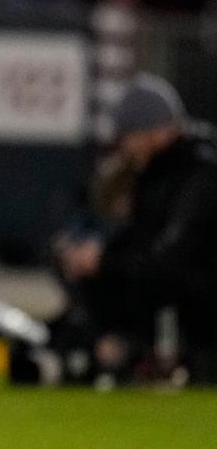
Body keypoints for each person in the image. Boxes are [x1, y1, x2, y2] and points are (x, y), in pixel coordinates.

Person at [53, 74, 217, 387]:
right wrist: (98, 255)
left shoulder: (201, 174)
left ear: (158, 131)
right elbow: (141, 239)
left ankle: (133, 351)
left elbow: (173, 260)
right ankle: (111, 347)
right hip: (176, 294)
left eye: (131, 136)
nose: (125, 146)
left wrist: (105, 261)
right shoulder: (156, 173)